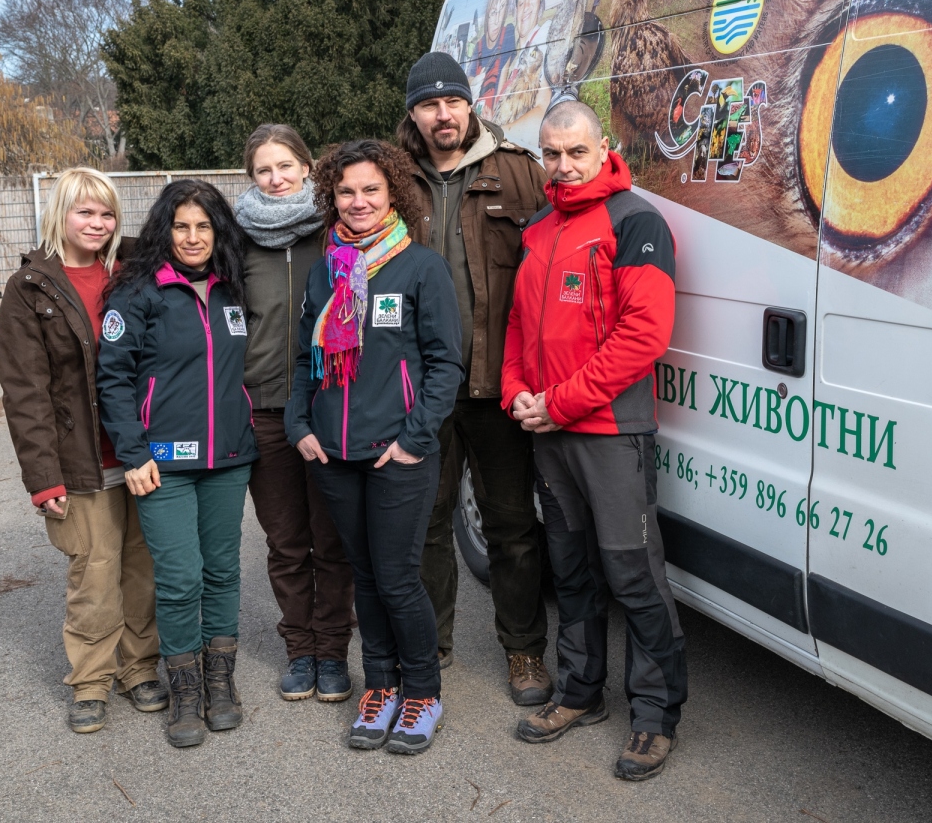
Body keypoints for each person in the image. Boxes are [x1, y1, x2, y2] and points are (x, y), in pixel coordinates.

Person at [503, 101, 687, 781]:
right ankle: (580, 694)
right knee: (572, 571)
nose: (563, 166)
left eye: (575, 152)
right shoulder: (539, 227)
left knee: (633, 576)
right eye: (551, 154)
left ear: (602, 146)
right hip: (549, 429)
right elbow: (520, 325)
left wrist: (560, 403)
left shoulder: (637, 222)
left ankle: (654, 715)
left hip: (610, 432)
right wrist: (516, 391)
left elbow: (644, 335)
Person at [285, 139, 462, 755]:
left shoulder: (421, 268)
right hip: (333, 455)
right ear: (331, 196)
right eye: (345, 191)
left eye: (370, 190)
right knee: (364, 576)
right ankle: (380, 686)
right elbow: (306, 360)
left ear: (393, 196)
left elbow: (445, 366)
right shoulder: (324, 269)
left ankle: (422, 693)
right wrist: (299, 424)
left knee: (397, 578)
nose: (357, 202)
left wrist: (415, 441)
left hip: (398, 455)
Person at [398, 52, 552, 706]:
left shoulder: (518, 174)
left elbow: (553, 272)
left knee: (511, 526)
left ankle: (523, 653)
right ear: (413, 113)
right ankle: (430, 646)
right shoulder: (390, 179)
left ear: (470, 104)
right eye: (430, 105)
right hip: (421, 391)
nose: (443, 115)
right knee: (427, 525)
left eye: (453, 102)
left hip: (498, 386)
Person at [0, 168, 166, 735]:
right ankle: (91, 680)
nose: (97, 224)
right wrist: (43, 478)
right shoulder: (31, 288)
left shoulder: (132, 271)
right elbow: (25, 391)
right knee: (94, 575)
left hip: (142, 451)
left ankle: (140, 668)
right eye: (85, 212)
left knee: (140, 568)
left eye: (107, 213)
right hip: (82, 461)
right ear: (60, 215)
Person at [99, 180, 259, 748]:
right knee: (179, 577)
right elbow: (113, 379)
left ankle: (221, 683)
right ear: (163, 230)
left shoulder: (234, 288)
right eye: (181, 226)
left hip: (229, 458)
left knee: (220, 571)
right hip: (160, 463)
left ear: (218, 232)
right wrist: (134, 452)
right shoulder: (137, 292)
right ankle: (184, 689)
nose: (192, 238)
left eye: (203, 226)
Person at [235, 124, 355, 703]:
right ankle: (299, 650)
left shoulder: (337, 234)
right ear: (251, 177)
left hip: (329, 407)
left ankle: (332, 651)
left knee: (332, 540)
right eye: (264, 169)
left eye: (286, 165)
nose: (276, 178)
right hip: (262, 410)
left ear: (308, 168)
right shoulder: (234, 242)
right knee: (285, 541)